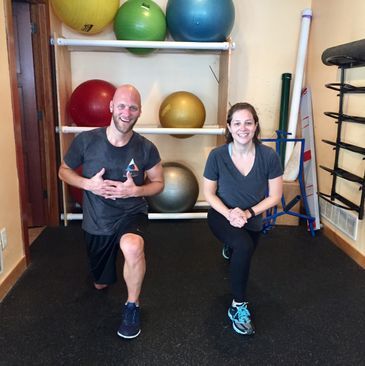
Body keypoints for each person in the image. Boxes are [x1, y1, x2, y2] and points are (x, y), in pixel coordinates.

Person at [58, 84, 164, 339]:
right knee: (100, 283)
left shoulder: (146, 148)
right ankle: (111, 265)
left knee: (132, 247)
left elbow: (159, 183)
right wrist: (88, 184)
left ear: (139, 112)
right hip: (98, 219)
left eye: (133, 107)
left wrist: (134, 191)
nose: (126, 112)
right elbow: (63, 171)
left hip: (131, 213)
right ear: (111, 107)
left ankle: (132, 305)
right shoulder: (86, 140)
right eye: (121, 106)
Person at [203, 102, 283, 335]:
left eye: (248, 122)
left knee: (243, 246)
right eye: (237, 123)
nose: (243, 128)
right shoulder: (217, 156)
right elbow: (208, 193)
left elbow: (275, 196)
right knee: (243, 246)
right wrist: (229, 213)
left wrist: (247, 213)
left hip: (252, 217)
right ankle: (238, 306)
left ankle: (231, 246)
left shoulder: (269, 156)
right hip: (221, 214)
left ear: (256, 125)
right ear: (229, 126)